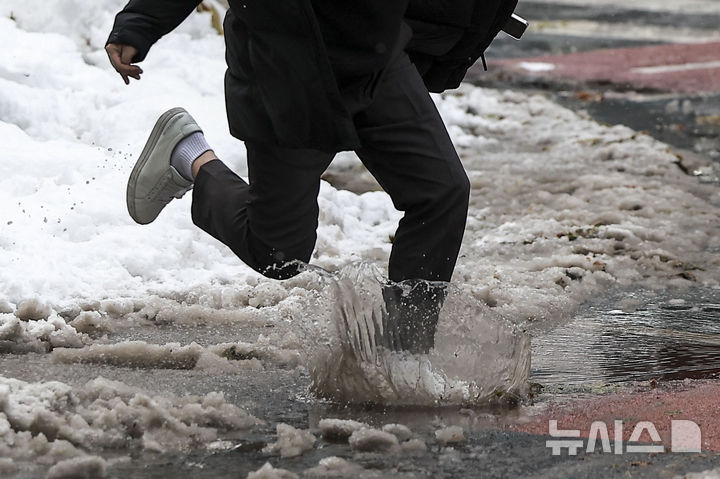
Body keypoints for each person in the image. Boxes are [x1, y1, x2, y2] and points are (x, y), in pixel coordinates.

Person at [106, 0, 517, 353]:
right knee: (278, 252)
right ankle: (190, 156)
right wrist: (139, 22)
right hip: (286, 70)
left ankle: (405, 356)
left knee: (441, 192)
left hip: (376, 58)